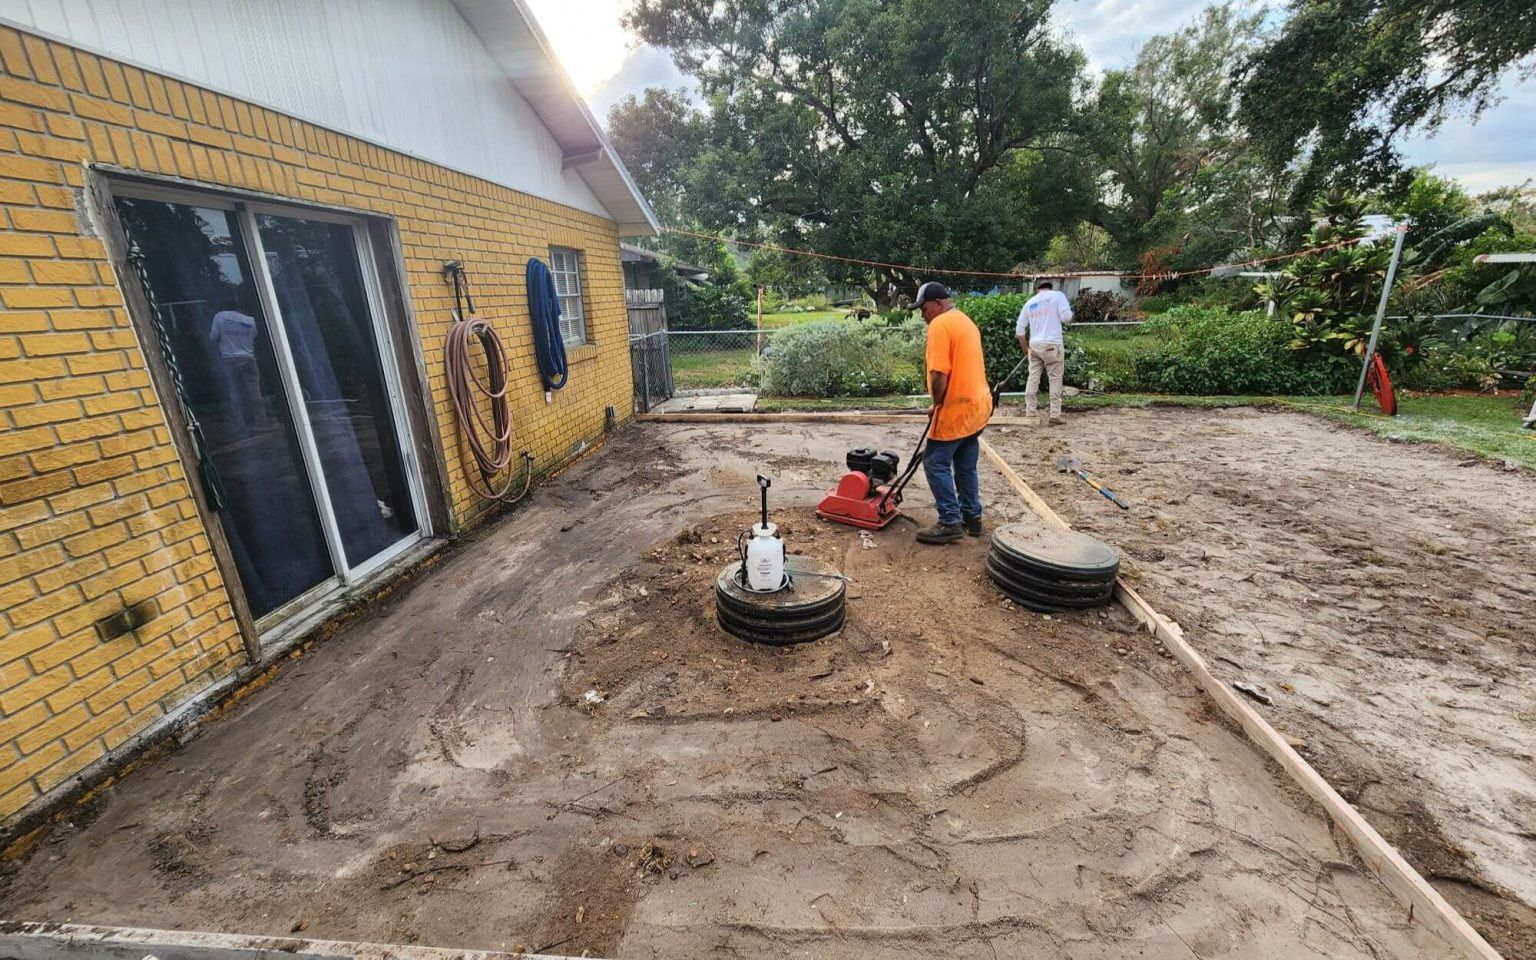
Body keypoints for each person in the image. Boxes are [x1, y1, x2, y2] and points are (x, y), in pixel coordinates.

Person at [913, 281, 992, 544]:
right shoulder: (964, 321)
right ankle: (972, 516)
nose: (922, 315)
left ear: (937, 304)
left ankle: (949, 520)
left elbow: (938, 373)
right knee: (965, 463)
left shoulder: (940, 325)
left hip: (956, 408)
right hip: (977, 406)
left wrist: (937, 403)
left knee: (934, 462)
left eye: (923, 309)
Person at [1017, 280, 1073, 424]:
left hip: (1034, 346)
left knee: (1033, 378)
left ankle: (1030, 413)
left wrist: (1025, 348)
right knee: (1054, 379)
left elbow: (1019, 329)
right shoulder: (1058, 296)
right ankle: (1054, 416)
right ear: (1050, 287)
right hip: (1052, 345)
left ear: (1037, 289)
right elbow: (1066, 317)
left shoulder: (1030, 303)